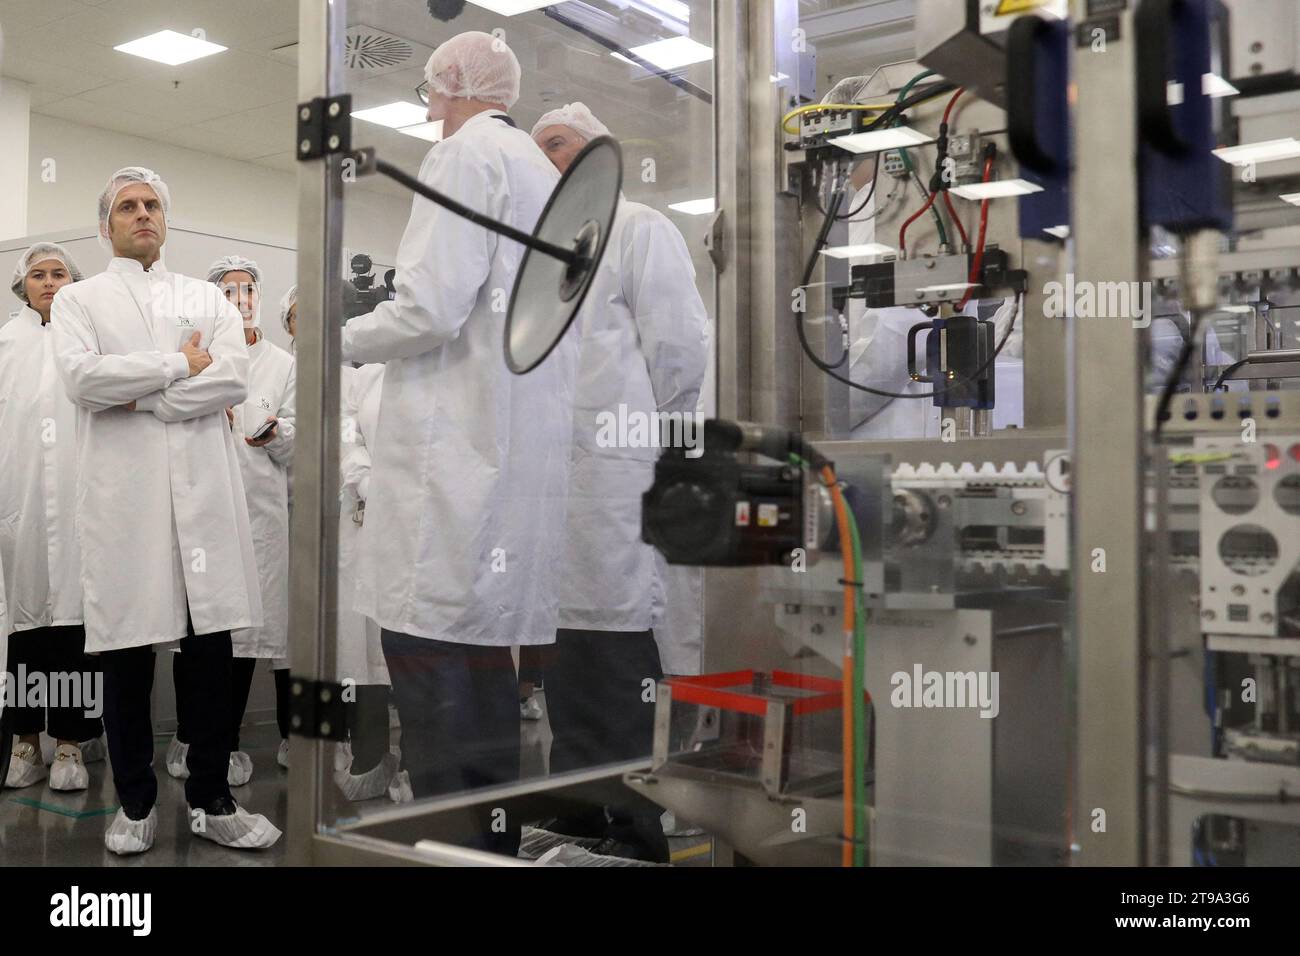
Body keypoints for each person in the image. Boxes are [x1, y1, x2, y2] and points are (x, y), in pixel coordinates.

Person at [340, 31, 575, 856]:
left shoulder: (463, 157)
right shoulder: (545, 175)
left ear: (453, 89)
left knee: (431, 665)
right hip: (509, 466)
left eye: (431, 96)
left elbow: (431, 308)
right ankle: (491, 846)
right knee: (484, 682)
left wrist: (341, 339)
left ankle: (450, 851)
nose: (430, 113)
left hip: (451, 469)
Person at [53, 166, 279, 854]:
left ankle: (213, 796)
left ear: (166, 219)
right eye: (128, 206)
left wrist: (142, 392)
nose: (142, 214)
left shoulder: (205, 299)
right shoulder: (80, 301)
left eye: (152, 204)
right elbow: (82, 380)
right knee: (125, 655)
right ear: (105, 225)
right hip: (126, 505)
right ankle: (135, 801)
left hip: (204, 502)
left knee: (209, 651)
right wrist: (181, 367)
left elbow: (234, 378)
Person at [531, 103, 709, 861]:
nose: (545, 162)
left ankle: (636, 829)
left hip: (617, 478)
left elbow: (679, 350)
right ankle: (576, 813)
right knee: (565, 654)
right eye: (534, 151)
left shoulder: (639, 228)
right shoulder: (537, 251)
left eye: (559, 146)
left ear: (601, 152)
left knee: (618, 653)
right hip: (555, 487)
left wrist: (643, 444)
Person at [165, 256, 295, 788]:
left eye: (247, 289)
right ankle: (189, 734)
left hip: (260, 514)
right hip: (197, 509)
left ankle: (228, 741)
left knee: (242, 636)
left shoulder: (283, 365)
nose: (239, 299)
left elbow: (304, 443)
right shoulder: (192, 351)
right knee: (190, 631)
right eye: (227, 290)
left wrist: (277, 435)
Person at [0, 243, 106, 792]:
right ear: (23, 284)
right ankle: (24, 740)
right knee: (24, 625)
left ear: (73, 280)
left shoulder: (86, 338)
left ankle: (70, 742)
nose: (48, 281)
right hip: (17, 504)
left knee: (74, 623)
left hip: (77, 499)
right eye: (38, 274)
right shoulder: (6, 341)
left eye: (58, 272)